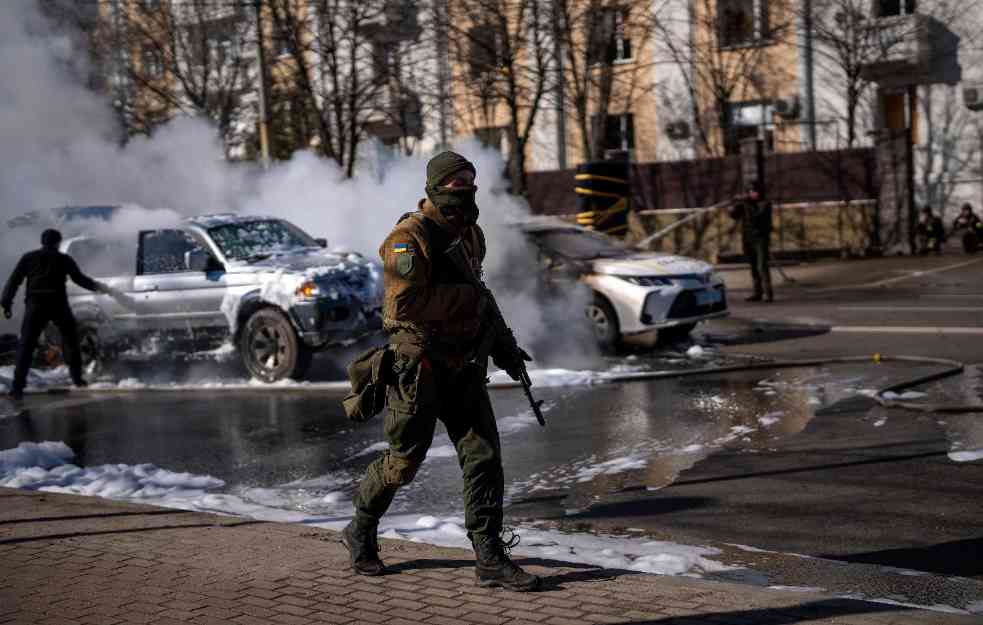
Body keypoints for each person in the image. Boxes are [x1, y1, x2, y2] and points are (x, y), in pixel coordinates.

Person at [342, 151, 541, 591]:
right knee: (403, 462)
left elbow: (480, 296)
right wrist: (463, 302)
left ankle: (488, 554)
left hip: (464, 364)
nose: (465, 192)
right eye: (456, 184)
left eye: (470, 183)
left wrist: (504, 347)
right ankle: (361, 527)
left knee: (484, 457)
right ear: (435, 187)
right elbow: (403, 306)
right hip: (421, 366)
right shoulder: (408, 238)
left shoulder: (471, 236)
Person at [1, 229, 110, 400]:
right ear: (58, 242)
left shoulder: (28, 258)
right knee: (71, 340)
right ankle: (77, 380)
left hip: (35, 305)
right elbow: (79, 279)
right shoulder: (64, 259)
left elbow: (13, 281)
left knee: (26, 345)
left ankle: (17, 389)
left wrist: (6, 303)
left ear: (42, 241)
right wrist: (99, 287)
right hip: (58, 304)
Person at [729, 182, 773, 303]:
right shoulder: (745, 204)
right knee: (753, 266)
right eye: (751, 191)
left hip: (760, 239)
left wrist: (746, 203)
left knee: (761, 266)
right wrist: (735, 204)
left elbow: (757, 218)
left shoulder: (764, 204)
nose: (753, 193)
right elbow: (734, 215)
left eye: (755, 191)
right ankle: (757, 292)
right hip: (748, 238)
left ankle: (768, 293)